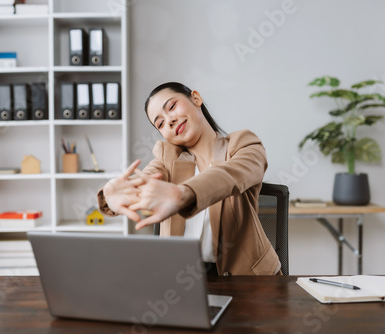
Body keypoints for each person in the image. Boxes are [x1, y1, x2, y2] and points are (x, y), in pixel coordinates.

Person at [97, 82, 281, 276]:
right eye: (160, 123)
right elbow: (145, 181)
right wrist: (114, 195)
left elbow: (232, 174)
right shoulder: (167, 157)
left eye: (172, 106)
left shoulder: (242, 144)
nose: (169, 121)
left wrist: (183, 193)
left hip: (249, 279)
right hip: (181, 282)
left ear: (196, 98)